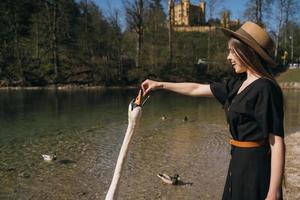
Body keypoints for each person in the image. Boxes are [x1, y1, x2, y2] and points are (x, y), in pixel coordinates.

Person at [141, 21, 285, 200]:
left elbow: (276, 142)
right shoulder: (236, 84)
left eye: (232, 51)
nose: (228, 57)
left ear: (248, 52)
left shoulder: (265, 88)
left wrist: (274, 192)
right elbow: (196, 89)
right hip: (237, 163)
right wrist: (159, 84)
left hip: (255, 168)